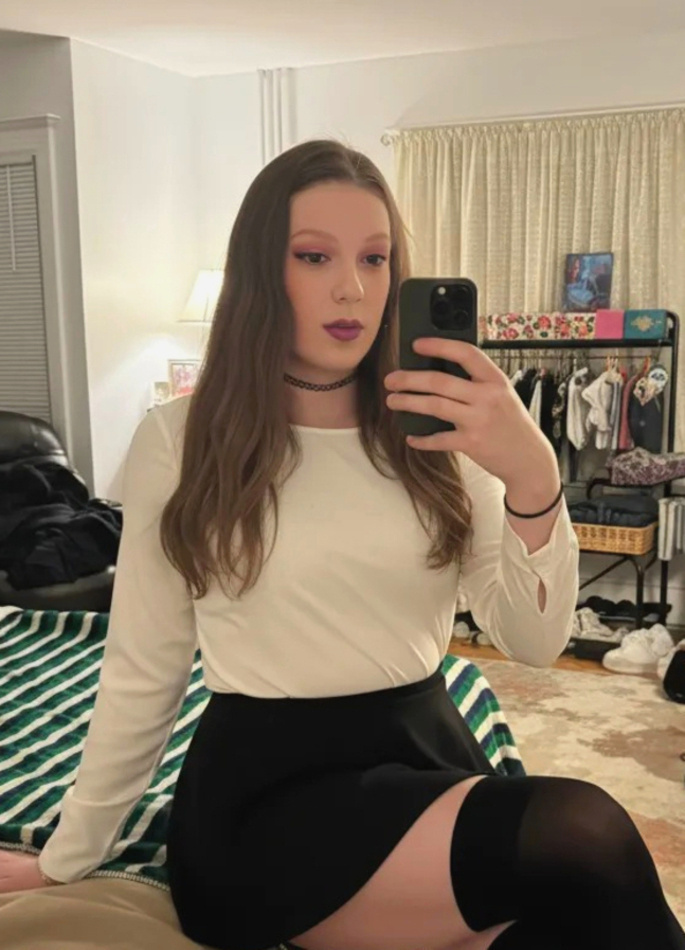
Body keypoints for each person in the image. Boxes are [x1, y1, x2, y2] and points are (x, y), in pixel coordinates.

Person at [0, 139, 682, 950]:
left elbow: (533, 643)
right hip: (269, 803)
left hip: (424, 755)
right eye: (314, 256)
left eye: (374, 258)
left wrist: (533, 476)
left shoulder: (441, 432)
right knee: (582, 830)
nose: (352, 287)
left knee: (574, 925)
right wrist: (67, 858)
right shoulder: (181, 439)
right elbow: (144, 667)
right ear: (262, 272)